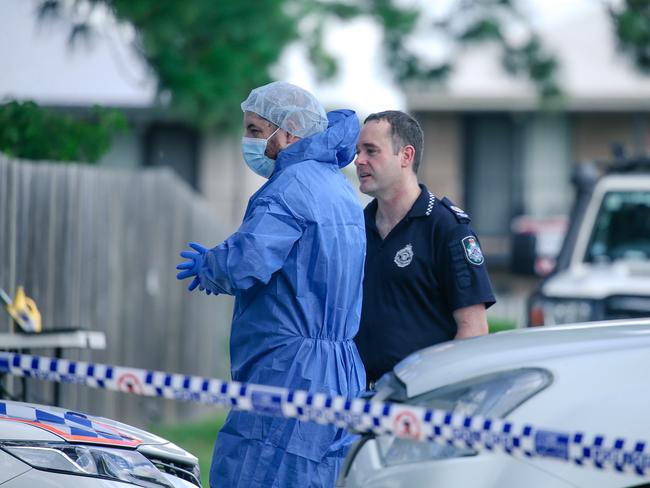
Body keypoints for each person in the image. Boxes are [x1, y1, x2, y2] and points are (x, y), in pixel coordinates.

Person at [176, 81, 366, 488]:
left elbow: (247, 262)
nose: (247, 141)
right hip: (343, 368)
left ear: (290, 132)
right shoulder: (340, 188)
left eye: (256, 131)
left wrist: (210, 265)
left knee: (260, 472)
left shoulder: (287, 190)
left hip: (290, 369)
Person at [354, 110, 496, 386]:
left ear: (406, 156)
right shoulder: (356, 228)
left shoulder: (447, 228)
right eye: (358, 151)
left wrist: (432, 390)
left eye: (371, 151)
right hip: (361, 400)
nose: (359, 160)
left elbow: (474, 329)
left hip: (423, 405)